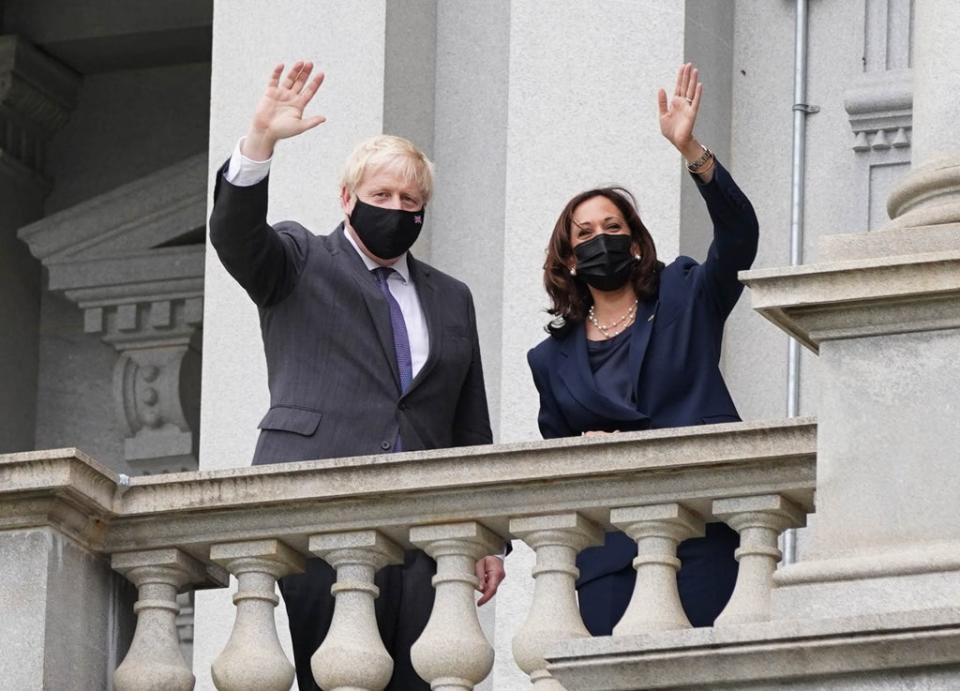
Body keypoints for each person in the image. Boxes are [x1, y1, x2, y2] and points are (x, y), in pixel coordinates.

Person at [209, 60, 505, 691]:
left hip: (428, 530)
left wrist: (487, 534)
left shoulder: (451, 297)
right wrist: (260, 140)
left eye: (410, 200)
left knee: (427, 680)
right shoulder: (298, 258)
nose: (396, 209)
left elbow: (467, 423)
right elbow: (236, 237)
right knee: (337, 677)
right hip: (317, 508)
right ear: (347, 198)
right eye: (381, 196)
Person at [526, 63, 759, 636]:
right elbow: (559, 468)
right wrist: (587, 451)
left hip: (700, 533)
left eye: (612, 225)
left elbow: (739, 239)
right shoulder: (549, 360)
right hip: (607, 555)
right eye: (584, 233)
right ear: (571, 260)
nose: (599, 236)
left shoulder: (684, 293)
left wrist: (693, 153)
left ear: (633, 242)